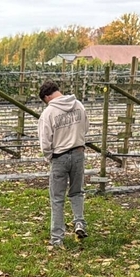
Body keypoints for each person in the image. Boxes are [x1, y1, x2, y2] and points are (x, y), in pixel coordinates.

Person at [37, 81, 89, 247]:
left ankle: (57, 238)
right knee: (77, 191)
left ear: (46, 97)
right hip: (78, 152)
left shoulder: (49, 113)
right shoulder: (78, 105)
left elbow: (45, 140)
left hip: (60, 156)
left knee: (57, 198)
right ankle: (79, 222)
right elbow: (86, 127)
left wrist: (49, 157)